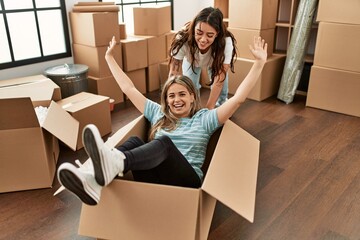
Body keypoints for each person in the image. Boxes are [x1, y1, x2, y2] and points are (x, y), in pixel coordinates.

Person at [57, 35, 267, 206]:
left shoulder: (205, 119)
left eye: (182, 94)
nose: (177, 100)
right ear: (166, 100)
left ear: (193, 96)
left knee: (163, 144)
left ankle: (112, 163)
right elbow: (128, 88)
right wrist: (109, 58)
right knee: (136, 143)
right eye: (172, 96)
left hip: (187, 183)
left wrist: (259, 64)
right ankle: (93, 180)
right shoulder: (159, 113)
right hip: (155, 180)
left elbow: (238, 99)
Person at [168, 7, 237, 109]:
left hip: (215, 62)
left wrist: (209, 111)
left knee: (221, 92)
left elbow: (219, 80)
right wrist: (170, 102)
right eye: (199, 33)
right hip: (191, 61)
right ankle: (193, 108)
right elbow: (174, 73)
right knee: (190, 87)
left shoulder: (226, 42)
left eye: (210, 35)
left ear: (217, 34)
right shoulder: (182, 39)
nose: (203, 40)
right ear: (193, 28)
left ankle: (222, 104)